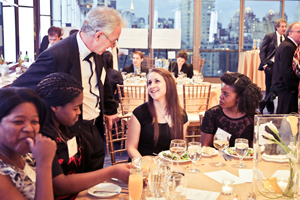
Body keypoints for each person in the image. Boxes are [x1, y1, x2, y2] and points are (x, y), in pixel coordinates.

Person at [12, 6, 126, 172]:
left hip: (95, 128)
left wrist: (109, 110)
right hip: (69, 131)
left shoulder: (98, 51)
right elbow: (18, 90)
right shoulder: (57, 54)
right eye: (113, 41)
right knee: (75, 182)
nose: (112, 46)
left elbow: (100, 83)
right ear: (99, 35)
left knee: (96, 182)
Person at [36, 72, 130, 199]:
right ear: (55, 107)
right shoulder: (43, 139)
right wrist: (112, 171)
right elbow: (58, 186)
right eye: (75, 108)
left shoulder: (67, 128)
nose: (79, 112)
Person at [0, 87, 56, 200]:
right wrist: (44, 164)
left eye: (34, 121)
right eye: (18, 121)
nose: (29, 129)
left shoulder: (26, 156)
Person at [126, 68, 188, 158]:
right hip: (143, 165)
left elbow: (179, 147)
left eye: (157, 81)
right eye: (149, 83)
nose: (152, 86)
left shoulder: (181, 115)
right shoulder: (139, 113)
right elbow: (131, 148)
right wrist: (145, 164)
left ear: (169, 84)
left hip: (169, 165)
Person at [201, 72, 262, 148]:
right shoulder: (212, 114)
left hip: (243, 158)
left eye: (226, 94)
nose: (220, 96)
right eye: (221, 92)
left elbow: (255, 151)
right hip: (217, 159)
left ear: (240, 98)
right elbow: (205, 147)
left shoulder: (254, 118)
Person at [258, 18, 287, 114]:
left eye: (285, 26)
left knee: (278, 87)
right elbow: (262, 51)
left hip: (281, 67)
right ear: (277, 27)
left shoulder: (286, 38)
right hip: (270, 65)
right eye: (282, 26)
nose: (284, 28)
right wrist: (265, 64)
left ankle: (263, 102)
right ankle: (270, 110)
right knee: (270, 87)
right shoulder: (269, 36)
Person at [272, 22, 300, 114]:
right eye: (299, 32)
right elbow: (286, 71)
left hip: (285, 87)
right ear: (290, 33)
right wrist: (293, 87)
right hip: (287, 88)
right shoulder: (288, 46)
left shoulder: (288, 45)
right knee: (286, 117)